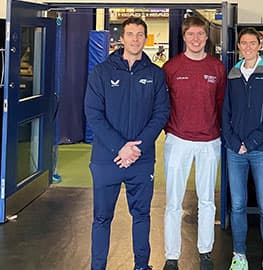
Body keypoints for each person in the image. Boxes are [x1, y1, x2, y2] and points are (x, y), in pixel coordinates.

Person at [84, 17, 170, 270]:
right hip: (106, 159)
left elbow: (161, 114)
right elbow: (93, 113)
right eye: (130, 34)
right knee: (102, 218)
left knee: (142, 215)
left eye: (140, 34)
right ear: (121, 38)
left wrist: (137, 148)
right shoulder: (101, 72)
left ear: (145, 38)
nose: (135, 39)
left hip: (140, 161)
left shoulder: (155, 75)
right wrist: (120, 147)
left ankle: (142, 266)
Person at [161, 16, 226, 270]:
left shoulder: (217, 68)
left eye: (200, 34)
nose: (196, 39)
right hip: (178, 140)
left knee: (207, 199)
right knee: (173, 201)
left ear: (206, 37)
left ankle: (205, 252)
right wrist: (171, 130)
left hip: (209, 141)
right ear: (184, 37)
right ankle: (172, 255)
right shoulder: (171, 68)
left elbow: (220, 103)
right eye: (191, 35)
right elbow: (162, 104)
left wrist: (216, 131)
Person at [222, 27, 263, 270]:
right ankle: (239, 256)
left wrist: (253, 142)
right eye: (243, 43)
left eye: (252, 43)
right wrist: (235, 142)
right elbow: (225, 112)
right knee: (237, 205)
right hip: (235, 150)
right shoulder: (233, 74)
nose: (247, 47)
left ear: (259, 45)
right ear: (239, 47)